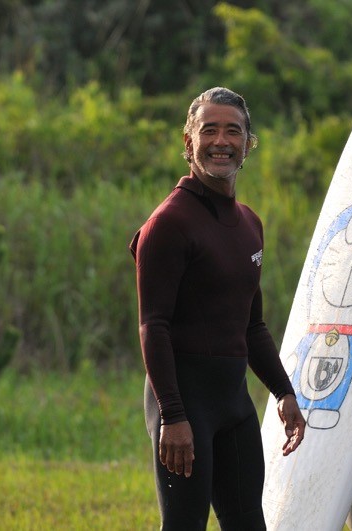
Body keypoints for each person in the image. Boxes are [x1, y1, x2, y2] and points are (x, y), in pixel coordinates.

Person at [129, 86, 305, 530]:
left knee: (248, 522)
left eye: (234, 131)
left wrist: (283, 392)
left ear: (249, 143)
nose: (221, 141)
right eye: (210, 131)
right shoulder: (168, 225)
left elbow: (253, 325)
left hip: (233, 403)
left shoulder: (250, 224)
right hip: (183, 405)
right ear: (189, 143)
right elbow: (154, 325)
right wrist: (173, 415)